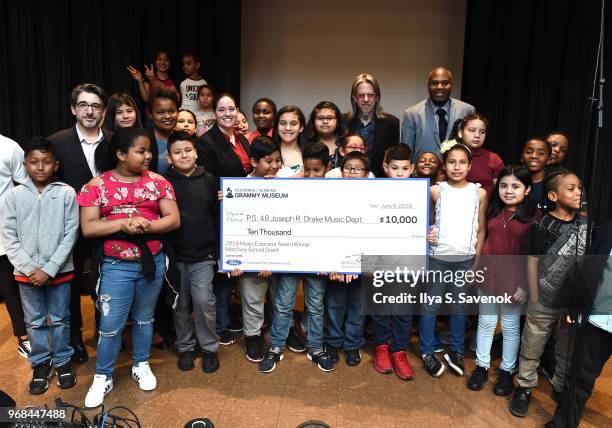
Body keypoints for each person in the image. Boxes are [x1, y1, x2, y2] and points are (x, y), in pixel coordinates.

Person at [79, 127, 180, 408]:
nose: (149, 156)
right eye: (142, 151)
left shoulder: (159, 182)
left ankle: (141, 364)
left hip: (153, 263)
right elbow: (88, 227)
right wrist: (123, 223)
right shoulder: (95, 186)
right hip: (115, 265)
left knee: (145, 318)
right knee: (110, 325)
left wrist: (144, 224)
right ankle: (102, 376)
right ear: (121, 155)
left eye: (149, 150)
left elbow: (172, 219)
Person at [0, 137, 79, 395]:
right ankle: (41, 364)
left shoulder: (66, 193)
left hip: (59, 272)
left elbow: (71, 233)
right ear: (25, 164)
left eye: (46, 162)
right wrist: (29, 268)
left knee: (59, 319)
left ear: (55, 165)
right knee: (34, 321)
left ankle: (63, 360)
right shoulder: (14, 196)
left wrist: (49, 269)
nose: (40, 167)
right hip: (26, 275)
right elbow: (8, 236)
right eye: (34, 162)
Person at [509, 169, 588, 418]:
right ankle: (524, 387)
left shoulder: (585, 224)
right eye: (571, 188)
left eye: (579, 188)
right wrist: (533, 294)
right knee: (532, 344)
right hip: (542, 297)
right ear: (553, 195)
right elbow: (531, 260)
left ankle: (561, 388)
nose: (578, 193)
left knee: (567, 348)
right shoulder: (541, 224)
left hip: (570, 303)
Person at [48, 82, 112, 365]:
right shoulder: (57, 142)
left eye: (96, 106)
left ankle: (104, 332)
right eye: (83, 105)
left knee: (104, 279)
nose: (89, 111)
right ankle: (74, 338)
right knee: (70, 284)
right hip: (69, 227)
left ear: (103, 110)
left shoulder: (113, 140)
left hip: (107, 224)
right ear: (73, 109)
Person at [259, 142, 335, 374]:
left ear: (327, 167)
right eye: (308, 170)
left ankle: (315, 347)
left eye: (317, 171)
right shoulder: (290, 185)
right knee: (283, 304)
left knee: (315, 306)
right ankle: (275, 346)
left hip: (318, 260)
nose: (311, 175)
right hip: (291, 257)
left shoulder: (337, 191)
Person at [467, 165, 537, 396]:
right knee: (486, 323)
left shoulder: (534, 217)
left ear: (527, 190)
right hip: (489, 273)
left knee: (509, 326)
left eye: (515, 186)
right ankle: (481, 366)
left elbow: (534, 257)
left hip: (514, 279)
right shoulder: (494, 210)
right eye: (504, 186)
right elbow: (482, 237)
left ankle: (507, 371)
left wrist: (525, 286)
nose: (508, 191)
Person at [420, 142, 487, 378]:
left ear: (469, 166)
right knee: (430, 306)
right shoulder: (436, 190)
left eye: (461, 162)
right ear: (444, 165)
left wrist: (476, 263)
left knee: (459, 307)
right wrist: (427, 232)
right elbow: (425, 223)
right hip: (438, 258)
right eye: (451, 162)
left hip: (465, 260)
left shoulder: (479, 193)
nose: (456, 167)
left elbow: (481, 231)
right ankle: (427, 351)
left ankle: (456, 350)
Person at [196, 93, 250, 346]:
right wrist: (218, 191)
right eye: (221, 109)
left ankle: (227, 317)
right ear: (214, 114)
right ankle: (221, 324)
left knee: (237, 267)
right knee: (224, 269)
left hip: (244, 213)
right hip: (221, 213)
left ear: (238, 111)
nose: (227, 114)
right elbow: (206, 179)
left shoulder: (242, 140)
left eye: (231, 109)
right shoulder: (206, 142)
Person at [546, 219, 612, 428]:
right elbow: (590, 267)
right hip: (600, 320)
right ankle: (562, 423)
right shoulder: (609, 228)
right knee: (580, 377)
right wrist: (575, 304)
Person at [164, 131, 220, 373]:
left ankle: (209, 348)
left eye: (188, 150)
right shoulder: (163, 183)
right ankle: (186, 347)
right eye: (177, 152)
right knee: (180, 304)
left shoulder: (209, 180)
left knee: (203, 301)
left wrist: (219, 252)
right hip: (175, 257)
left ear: (196, 152)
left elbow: (217, 218)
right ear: (169, 158)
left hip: (203, 256)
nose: (183, 155)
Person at [233, 136, 282, 362]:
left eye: (277, 161)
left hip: (280, 253)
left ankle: (279, 333)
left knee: (279, 297)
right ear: (253, 162)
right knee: (252, 297)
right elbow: (240, 227)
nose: (274, 166)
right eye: (268, 161)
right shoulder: (240, 188)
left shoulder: (286, 186)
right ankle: (252, 335)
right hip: (251, 255)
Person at [372, 144, 417, 380]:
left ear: (413, 168)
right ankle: (381, 348)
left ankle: (399, 351)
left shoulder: (420, 193)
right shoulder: (374, 191)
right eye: (395, 168)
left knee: (403, 308)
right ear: (385, 167)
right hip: (380, 259)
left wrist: (429, 233)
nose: (400, 173)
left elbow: (427, 223)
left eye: (405, 169)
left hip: (408, 260)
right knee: (380, 306)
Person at [324, 151, 371, 367]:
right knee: (335, 305)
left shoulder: (376, 199)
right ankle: (333, 342)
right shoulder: (331, 196)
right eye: (348, 168)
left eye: (358, 169)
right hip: (336, 264)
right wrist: (333, 263)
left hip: (363, 264)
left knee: (357, 306)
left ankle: (352, 344)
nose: (352, 172)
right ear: (341, 171)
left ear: (366, 174)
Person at [401, 67, 475, 159]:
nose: (439, 87)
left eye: (445, 83)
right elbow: (406, 154)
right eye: (434, 83)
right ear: (428, 86)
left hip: (457, 171)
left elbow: (473, 148)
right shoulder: (412, 114)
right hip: (423, 172)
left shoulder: (467, 110)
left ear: (451, 85)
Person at [0, 133, 29, 358]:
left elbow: (27, 184)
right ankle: (25, 336)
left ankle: (30, 334)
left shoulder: (8, 147)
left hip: (9, 229)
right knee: (7, 286)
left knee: (17, 283)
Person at [343, 74, 399, 177]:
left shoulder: (392, 123)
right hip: (349, 180)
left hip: (380, 182)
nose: (366, 99)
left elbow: (393, 159)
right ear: (354, 97)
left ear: (377, 97)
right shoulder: (343, 122)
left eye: (370, 95)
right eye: (361, 95)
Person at [454, 112, 504, 196]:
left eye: (482, 132)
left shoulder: (493, 159)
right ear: (460, 133)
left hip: (485, 208)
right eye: (472, 130)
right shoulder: (451, 156)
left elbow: (499, 192)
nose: (477, 135)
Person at [303, 101, 347, 168]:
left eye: (330, 118)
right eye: (320, 118)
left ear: (338, 122)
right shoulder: (306, 143)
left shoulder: (345, 143)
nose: (325, 122)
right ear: (313, 121)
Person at [145, 88, 179, 174]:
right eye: (160, 112)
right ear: (150, 114)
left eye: (172, 111)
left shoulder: (183, 138)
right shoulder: (142, 139)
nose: (167, 116)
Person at [521, 138, 551, 210]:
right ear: (522, 157)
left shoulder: (553, 185)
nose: (534, 156)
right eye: (528, 152)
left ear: (549, 160)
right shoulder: (512, 181)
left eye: (541, 153)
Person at [275, 105, 306, 177]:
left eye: (293, 124)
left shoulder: (310, 152)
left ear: (301, 127)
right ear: (277, 126)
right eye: (282, 123)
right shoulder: (268, 150)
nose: (288, 128)